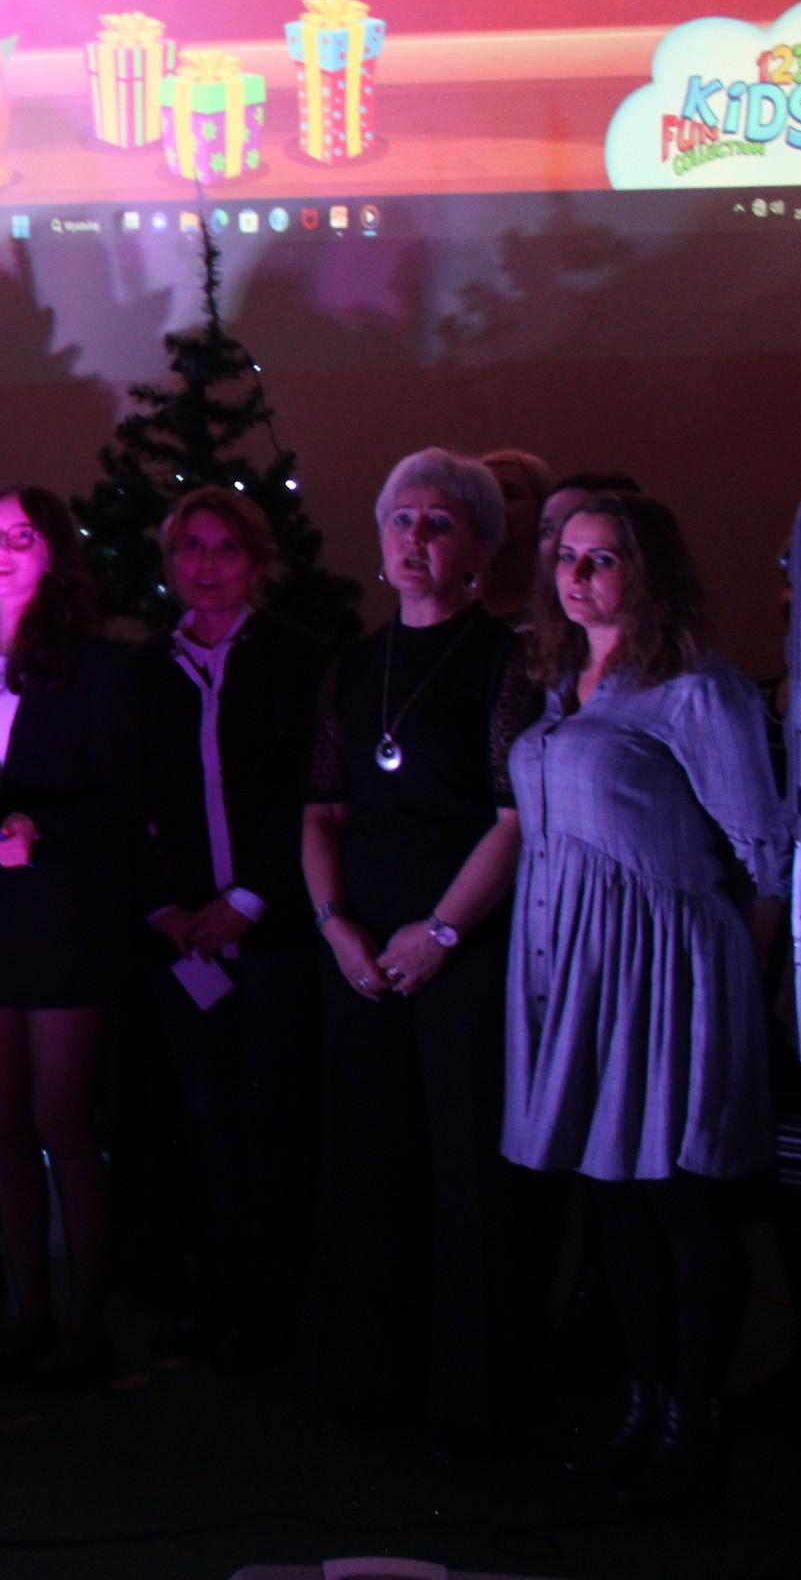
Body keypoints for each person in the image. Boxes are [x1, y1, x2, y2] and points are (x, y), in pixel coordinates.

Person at [509, 494, 790, 1510]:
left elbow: (765, 856)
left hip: (672, 969)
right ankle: (640, 1403)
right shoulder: (558, 686)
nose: (579, 575)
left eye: (605, 558)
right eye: (568, 557)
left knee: (681, 1199)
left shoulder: (696, 688)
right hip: (579, 966)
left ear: (649, 569)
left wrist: (735, 986)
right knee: (614, 1199)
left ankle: (694, 1419)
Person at [303, 448, 538, 1448]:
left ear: (479, 548)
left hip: (464, 939)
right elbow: (321, 811)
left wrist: (441, 930)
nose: (414, 537)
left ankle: (474, 1397)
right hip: (361, 945)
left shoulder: (505, 660)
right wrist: (335, 926)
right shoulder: (356, 663)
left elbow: (516, 819)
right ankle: (369, 1383)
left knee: (467, 1167)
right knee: (368, 1158)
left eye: (438, 522)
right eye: (401, 518)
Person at [0, 487, 141, 1381]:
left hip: (64, 913)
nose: (0, 551)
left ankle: (88, 1319)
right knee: (3, 1118)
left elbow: (125, 800)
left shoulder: (96, 665)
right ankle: (28, 1307)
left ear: (54, 553)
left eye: (21, 537)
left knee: (61, 1119)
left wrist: (45, 829)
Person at [131, 488, 330, 1369]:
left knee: (275, 1115)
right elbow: (132, 797)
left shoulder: (298, 658)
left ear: (256, 561)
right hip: (183, 937)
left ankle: (278, 1306)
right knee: (204, 1117)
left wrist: (247, 899)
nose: (205, 565)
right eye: (190, 547)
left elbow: (306, 791)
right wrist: (168, 908)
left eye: (225, 548)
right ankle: (216, 1293)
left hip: (275, 930)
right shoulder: (147, 669)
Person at [475, 449, 558, 623]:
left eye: (511, 495)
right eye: (484, 494)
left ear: (542, 507)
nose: (495, 505)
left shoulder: (562, 598)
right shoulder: (445, 595)